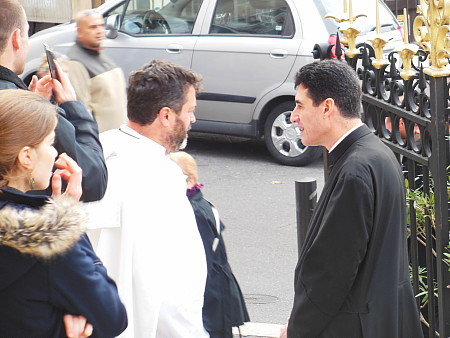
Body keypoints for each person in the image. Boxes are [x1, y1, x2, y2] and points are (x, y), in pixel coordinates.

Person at [280, 60, 423, 337]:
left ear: (327, 107)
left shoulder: (355, 170)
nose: (293, 116)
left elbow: (332, 270)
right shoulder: (376, 154)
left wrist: (298, 328)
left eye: (299, 105)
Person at [87, 60, 208, 337]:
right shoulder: (161, 178)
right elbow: (173, 286)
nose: (193, 120)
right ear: (166, 115)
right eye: (189, 111)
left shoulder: (99, 148)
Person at [0, 89, 127, 337]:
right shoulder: (49, 244)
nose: (56, 152)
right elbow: (113, 317)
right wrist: (66, 220)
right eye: (50, 142)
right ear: (26, 156)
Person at [0, 0, 107, 202]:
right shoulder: (27, 111)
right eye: (27, 35)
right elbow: (94, 178)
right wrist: (71, 105)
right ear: (16, 38)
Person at [170, 151, 250, 338]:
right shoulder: (197, 203)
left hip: (211, 299)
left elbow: (200, 262)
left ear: (188, 180)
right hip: (214, 294)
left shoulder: (194, 211)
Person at [67, 9, 127, 132]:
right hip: (102, 143)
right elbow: (82, 112)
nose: (99, 31)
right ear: (80, 32)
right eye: (93, 27)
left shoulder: (101, 56)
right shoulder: (76, 63)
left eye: (101, 26)